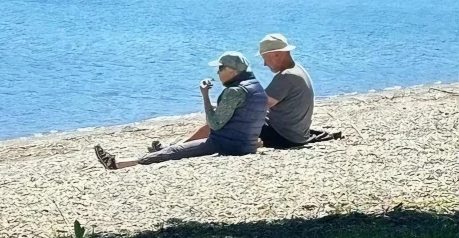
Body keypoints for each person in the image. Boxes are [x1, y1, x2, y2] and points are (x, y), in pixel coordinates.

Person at [93, 52, 269, 169]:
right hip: (246, 143)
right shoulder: (256, 86)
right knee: (179, 148)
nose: (217, 72)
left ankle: (117, 163)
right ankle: (161, 150)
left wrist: (205, 95)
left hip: (228, 145)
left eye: (220, 68)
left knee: (174, 153)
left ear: (232, 70)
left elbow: (214, 124)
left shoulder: (235, 91)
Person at [257, 33, 314, 148]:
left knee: (238, 120)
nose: (264, 64)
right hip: (297, 134)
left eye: (265, 59)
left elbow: (260, 105)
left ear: (277, 54)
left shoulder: (287, 76)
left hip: (284, 136)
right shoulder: (298, 69)